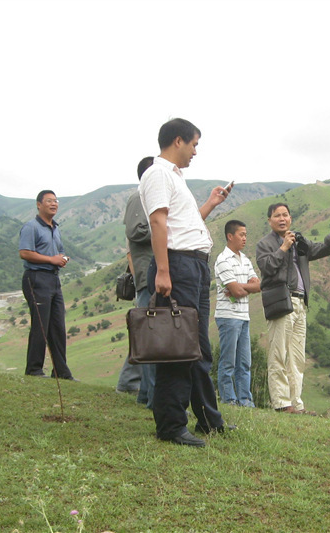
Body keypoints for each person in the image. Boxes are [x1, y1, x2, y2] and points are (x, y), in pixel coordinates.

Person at [139, 118, 234, 447]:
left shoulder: (175, 177)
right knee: (178, 348)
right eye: (194, 144)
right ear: (177, 140)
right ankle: (171, 425)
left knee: (198, 349)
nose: (195, 151)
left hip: (193, 266)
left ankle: (208, 418)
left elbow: (183, 224)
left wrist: (210, 204)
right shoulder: (158, 172)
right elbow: (158, 221)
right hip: (177, 266)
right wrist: (163, 271)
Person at [255, 203, 330, 414]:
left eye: (285, 215)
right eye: (277, 216)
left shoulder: (299, 241)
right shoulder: (265, 244)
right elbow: (267, 267)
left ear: (290, 218)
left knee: (297, 357)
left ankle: (296, 404)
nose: (282, 219)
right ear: (270, 221)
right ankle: (281, 403)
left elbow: (321, 249)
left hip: (300, 303)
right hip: (281, 301)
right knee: (279, 353)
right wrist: (284, 248)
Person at [18, 190, 77, 380]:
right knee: (41, 325)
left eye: (56, 201)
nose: (54, 204)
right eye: (49, 201)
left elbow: (59, 252)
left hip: (53, 279)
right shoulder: (31, 227)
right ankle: (34, 370)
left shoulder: (56, 228)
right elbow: (25, 253)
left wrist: (62, 258)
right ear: (39, 204)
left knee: (58, 326)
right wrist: (51, 259)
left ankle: (60, 372)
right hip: (36, 278)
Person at [115, 156, 156, 408]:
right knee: (145, 330)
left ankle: (131, 383)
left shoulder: (153, 200)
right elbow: (136, 232)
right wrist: (164, 228)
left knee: (148, 330)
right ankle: (130, 383)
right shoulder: (138, 198)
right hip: (146, 274)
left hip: (156, 272)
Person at [214, 220, 261, 407]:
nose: (244, 238)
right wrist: (243, 288)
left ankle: (245, 399)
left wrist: (238, 285)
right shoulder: (223, 260)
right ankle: (229, 399)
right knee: (228, 363)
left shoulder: (245, 260)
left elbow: (258, 286)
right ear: (230, 236)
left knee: (244, 362)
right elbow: (239, 292)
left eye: (246, 235)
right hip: (228, 317)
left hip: (243, 316)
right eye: (241, 234)